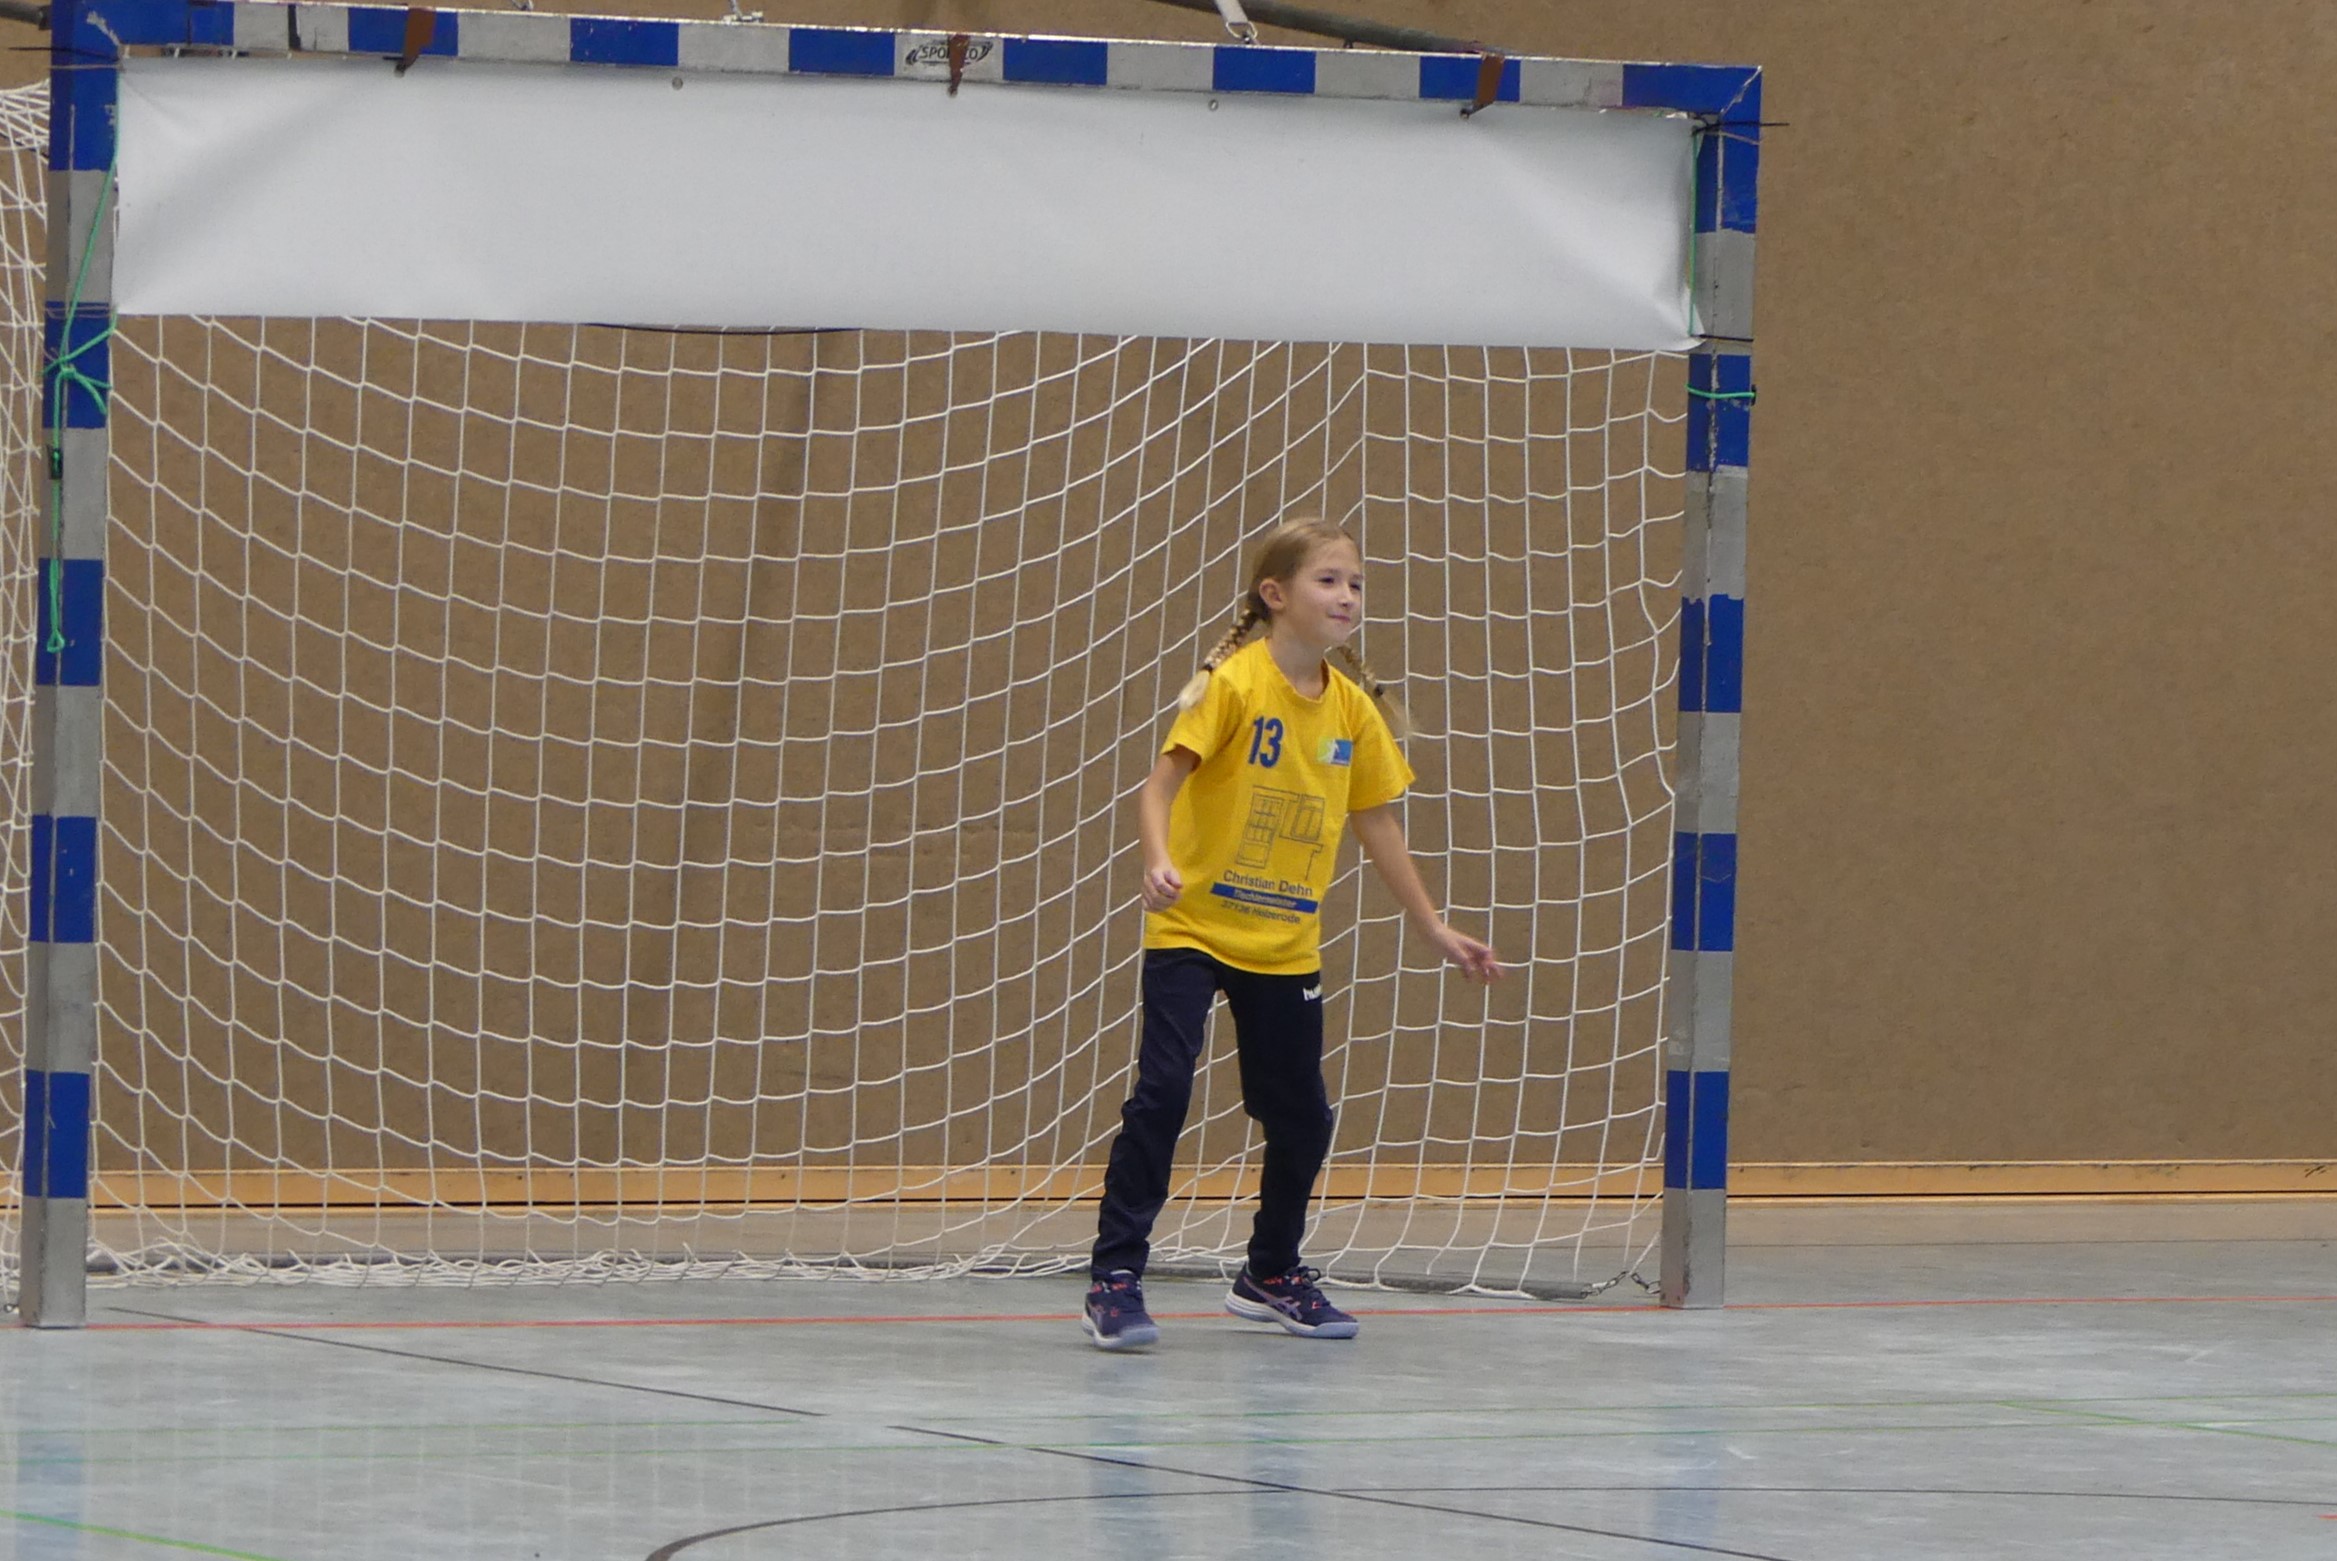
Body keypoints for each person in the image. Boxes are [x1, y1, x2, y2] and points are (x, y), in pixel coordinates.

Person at [1083, 518, 1502, 1351]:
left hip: (1283, 943)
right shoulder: (1233, 684)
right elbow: (1156, 787)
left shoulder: (1351, 709)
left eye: (1355, 583)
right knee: (1162, 1093)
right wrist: (1158, 859)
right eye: (1328, 580)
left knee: (1301, 1114)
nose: (1346, 596)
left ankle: (1270, 1272)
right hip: (1193, 928)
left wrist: (1431, 924)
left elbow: (1376, 823)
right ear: (1275, 595)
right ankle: (1115, 1276)